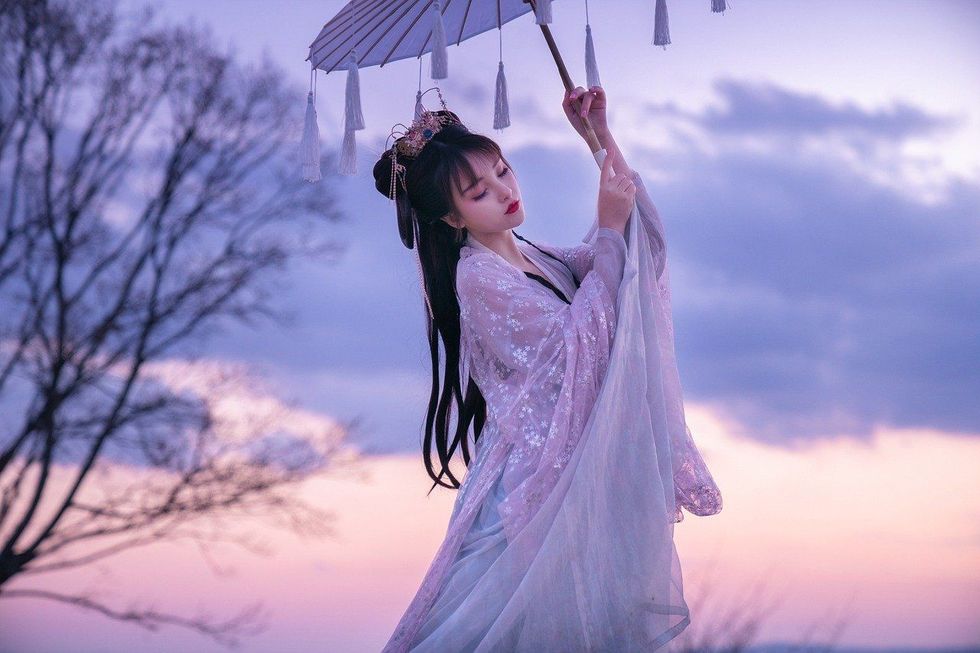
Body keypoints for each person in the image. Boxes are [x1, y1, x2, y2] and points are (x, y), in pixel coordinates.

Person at [373, 85, 722, 652]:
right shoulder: (480, 279)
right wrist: (607, 229)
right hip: (533, 493)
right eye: (479, 191)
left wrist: (597, 138)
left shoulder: (541, 257)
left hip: (572, 475)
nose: (504, 191)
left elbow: (641, 252)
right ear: (451, 217)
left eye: (503, 172)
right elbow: (577, 347)